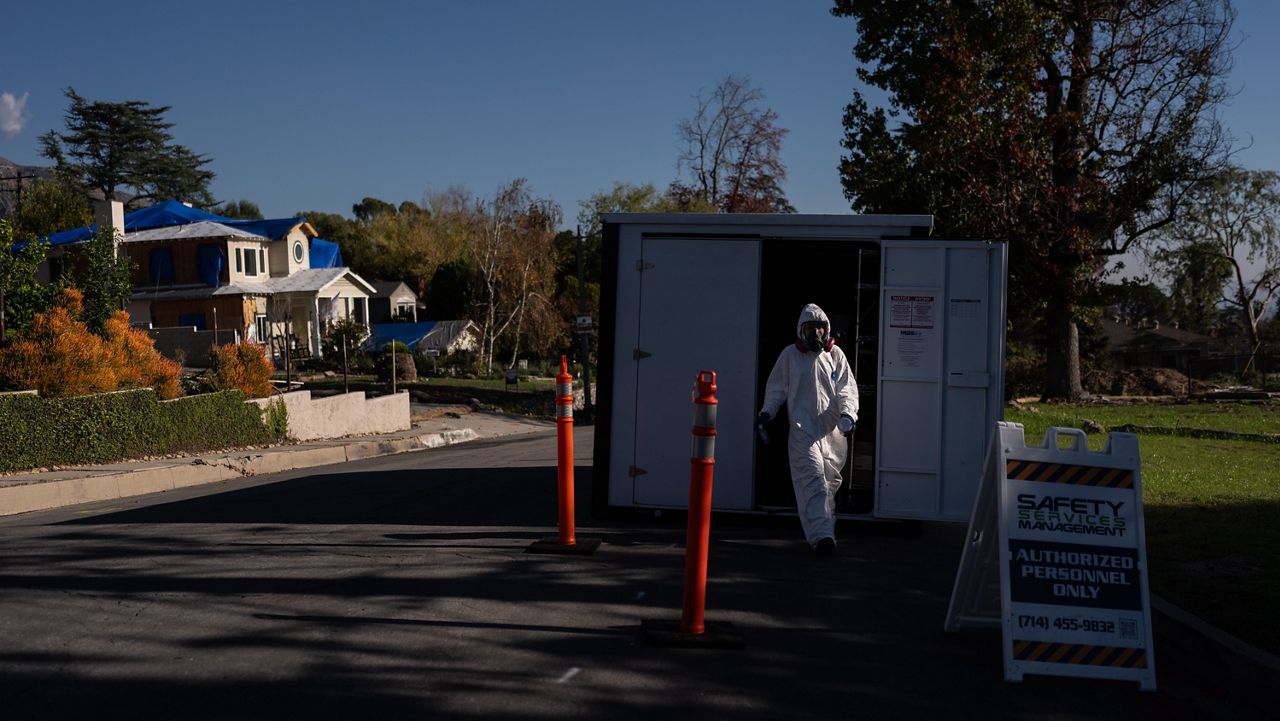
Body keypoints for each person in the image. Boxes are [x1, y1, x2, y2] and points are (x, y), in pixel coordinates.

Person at [757, 303, 859, 555]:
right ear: (801, 331)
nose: (816, 334)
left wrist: (848, 414)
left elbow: (847, 388)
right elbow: (776, 389)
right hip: (803, 432)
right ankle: (822, 538)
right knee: (812, 484)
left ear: (827, 330)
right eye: (811, 328)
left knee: (829, 486)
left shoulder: (835, 356)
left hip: (833, 434)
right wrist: (767, 413)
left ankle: (826, 529)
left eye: (820, 328)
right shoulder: (790, 356)